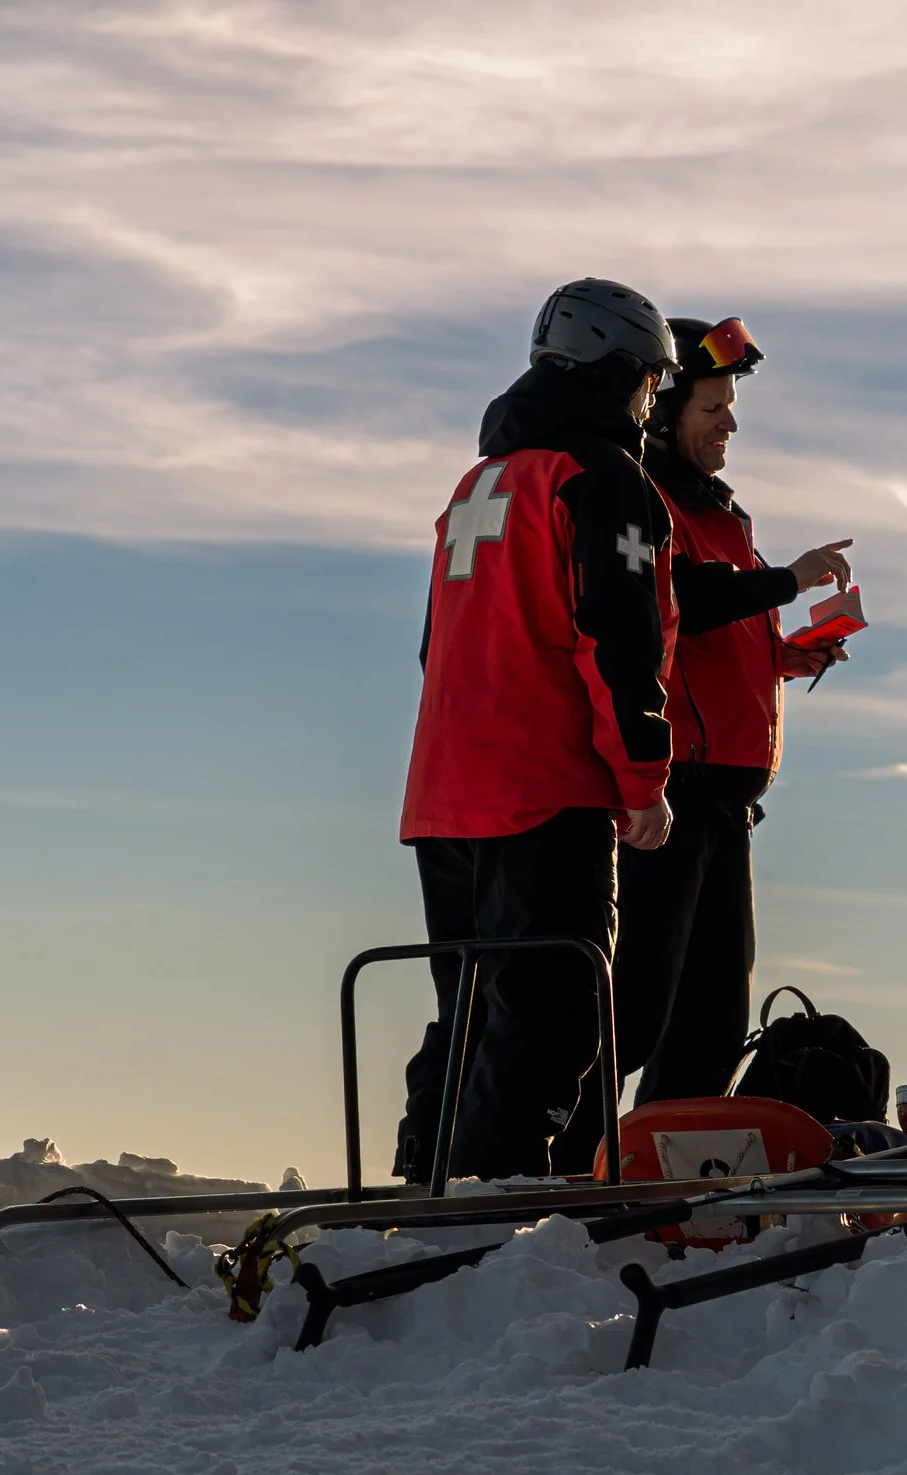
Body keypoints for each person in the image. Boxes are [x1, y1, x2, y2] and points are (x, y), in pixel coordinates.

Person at [393, 278, 681, 1183]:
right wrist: (643, 781)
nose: (649, 404)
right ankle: (492, 1221)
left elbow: (435, 645)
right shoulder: (601, 481)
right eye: (649, 384)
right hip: (542, 791)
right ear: (617, 372)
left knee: (469, 1016)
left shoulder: (478, 485)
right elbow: (616, 641)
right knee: (552, 1019)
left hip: (443, 797)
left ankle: (419, 1190)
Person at [604, 315, 855, 1114]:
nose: (730, 424)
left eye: (730, 407)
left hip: (728, 801)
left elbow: (716, 630)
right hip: (667, 792)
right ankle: (562, 1165)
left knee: (713, 1017)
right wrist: (788, 580)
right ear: (666, 413)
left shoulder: (722, 514)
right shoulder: (641, 505)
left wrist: (788, 653)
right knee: (637, 1005)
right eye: (713, 407)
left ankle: (659, 1167)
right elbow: (679, 601)